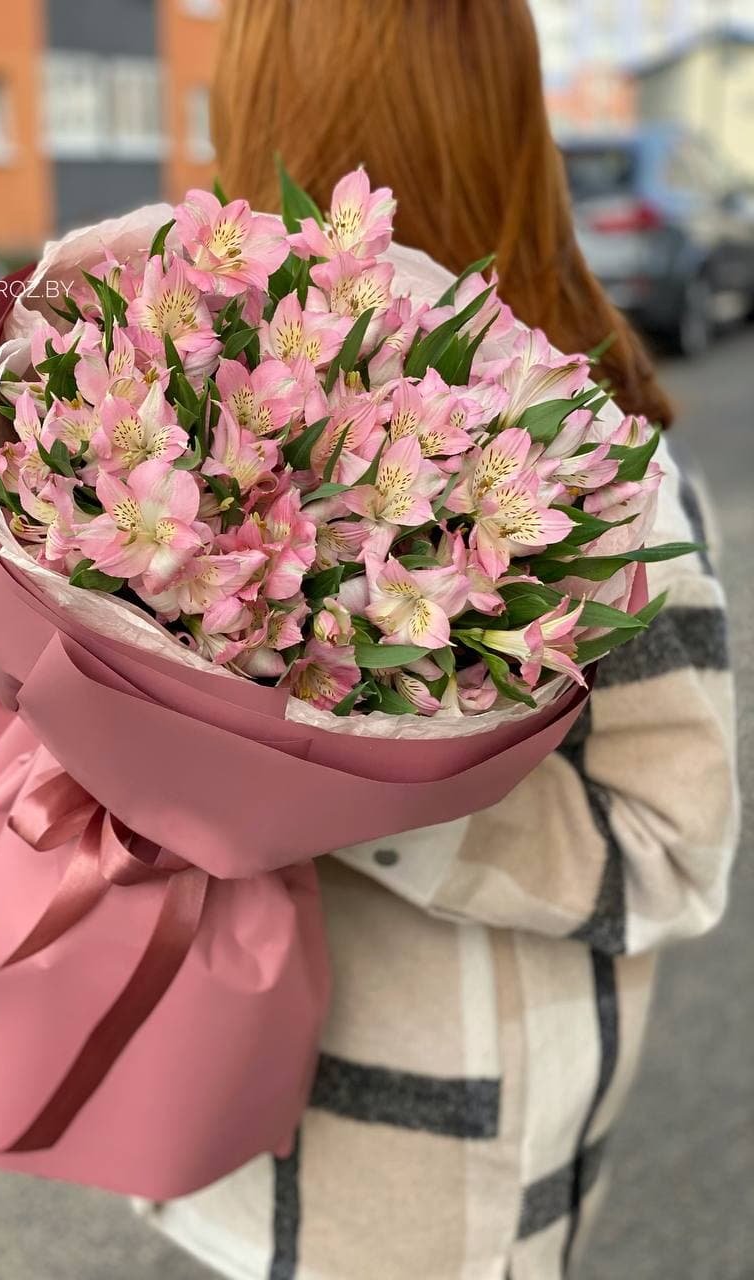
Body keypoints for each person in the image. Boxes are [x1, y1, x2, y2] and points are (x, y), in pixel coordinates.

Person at [136, 2, 739, 1276]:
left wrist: (347, 792)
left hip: (439, 1158)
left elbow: (676, 849)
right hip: (209, 1100)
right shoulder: (194, 403)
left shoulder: (595, 469)